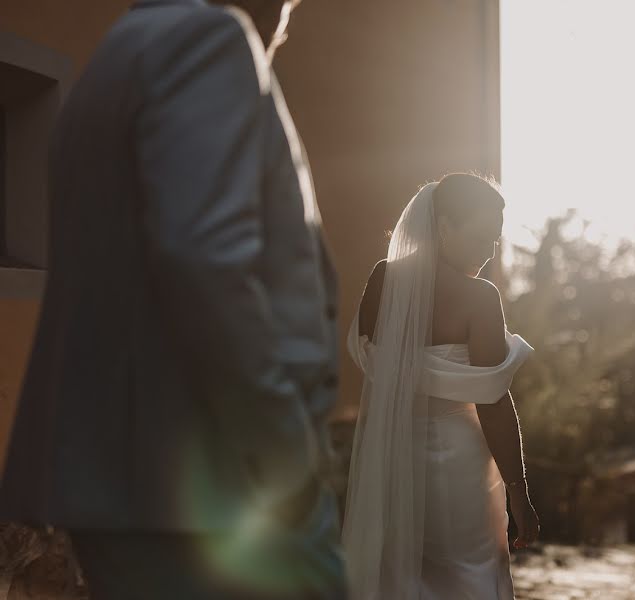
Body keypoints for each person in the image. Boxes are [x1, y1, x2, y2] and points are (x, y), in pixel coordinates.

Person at [0, 1, 345, 598]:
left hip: (138, 484)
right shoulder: (209, 39)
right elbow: (204, 256)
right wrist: (283, 451)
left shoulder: (121, 52)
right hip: (217, 485)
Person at [343, 173, 540, 599]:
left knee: (399, 571)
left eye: (495, 241)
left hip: (393, 454)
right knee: (471, 569)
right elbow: (493, 401)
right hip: (460, 463)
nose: (488, 253)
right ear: (444, 225)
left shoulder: (383, 282)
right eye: (480, 237)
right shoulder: (479, 298)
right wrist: (518, 493)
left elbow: (367, 360)